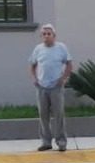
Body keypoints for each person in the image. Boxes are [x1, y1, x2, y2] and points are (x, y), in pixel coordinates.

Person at [29, 23, 73, 152]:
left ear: (54, 36)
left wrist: (63, 78)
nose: (46, 36)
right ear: (41, 36)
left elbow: (69, 64)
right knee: (43, 115)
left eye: (49, 34)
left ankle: (61, 141)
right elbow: (32, 65)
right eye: (44, 34)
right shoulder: (38, 49)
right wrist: (35, 79)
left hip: (56, 87)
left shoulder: (61, 48)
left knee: (58, 114)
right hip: (42, 86)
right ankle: (46, 142)